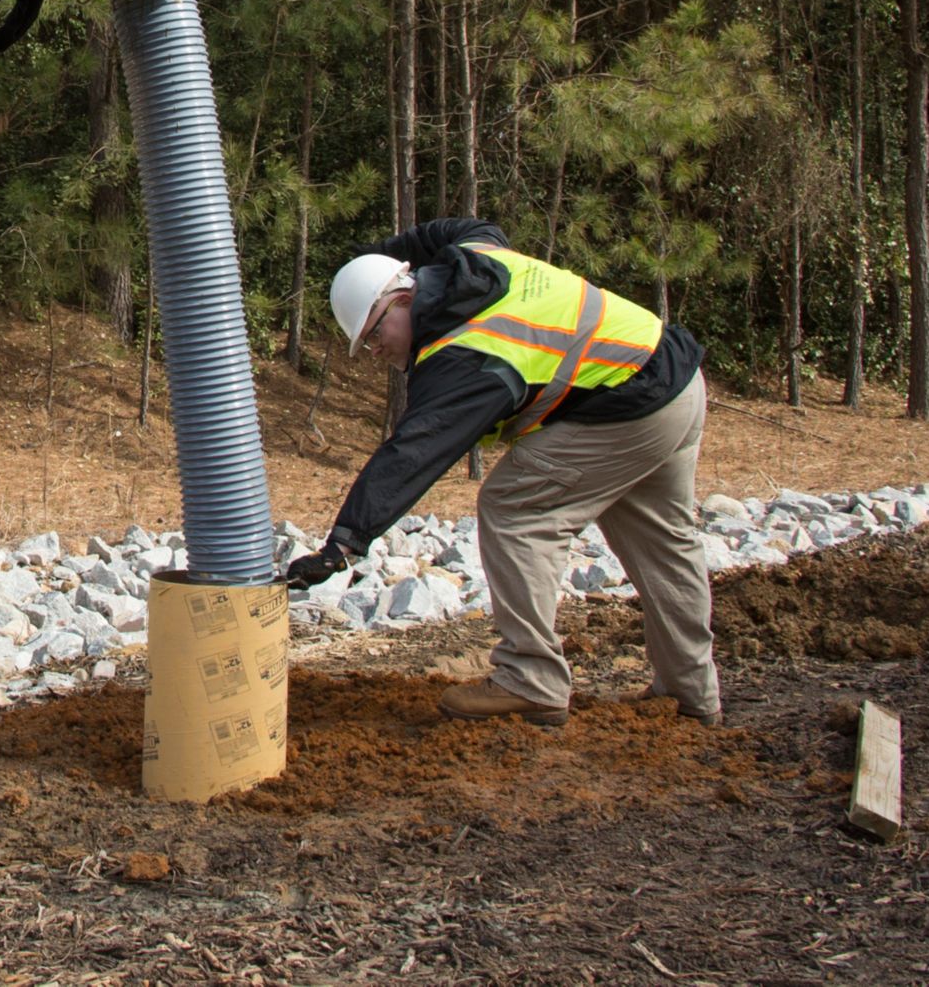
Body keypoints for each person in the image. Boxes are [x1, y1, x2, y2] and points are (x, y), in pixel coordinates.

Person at [286, 218, 718, 728]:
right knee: (663, 541)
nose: (377, 351)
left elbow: (412, 453)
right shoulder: (475, 258)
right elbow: (469, 225)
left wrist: (342, 544)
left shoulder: (468, 354)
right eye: (367, 345)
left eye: (376, 332)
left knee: (513, 509)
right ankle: (691, 693)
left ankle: (530, 680)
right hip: (672, 379)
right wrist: (380, 250)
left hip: (627, 403)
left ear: (404, 299)